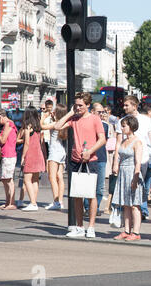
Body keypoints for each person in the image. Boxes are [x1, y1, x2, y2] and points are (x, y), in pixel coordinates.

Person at [54, 92, 106, 238]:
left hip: (90, 160)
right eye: (76, 105)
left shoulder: (95, 119)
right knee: (77, 194)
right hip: (75, 160)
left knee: (91, 194)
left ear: (88, 105)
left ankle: (91, 227)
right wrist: (70, 113)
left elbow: (102, 139)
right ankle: (79, 226)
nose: (78, 108)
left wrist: (90, 151)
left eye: (81, 105)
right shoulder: (74, 119)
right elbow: (58, 126)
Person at [114, 96, 151, 221]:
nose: (124, 107)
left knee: (140, 186)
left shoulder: (146, 120)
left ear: (135, 106)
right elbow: (118, 142)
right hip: (126, 160)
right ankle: (131, 217)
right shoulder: (121, 122)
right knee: (128, 189)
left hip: (143, 158)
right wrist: (115, 162)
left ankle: (140, 212)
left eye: (127, 105)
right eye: (124, 105)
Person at [112, 116, 145, 241]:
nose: (122, 128)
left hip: (132, 172)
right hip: (123, 173)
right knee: (126, 203)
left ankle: (136, 232)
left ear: (131, 126)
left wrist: (136, 178)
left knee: (135, 204)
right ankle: (126, 230)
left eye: (124, 125)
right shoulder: (123, 141)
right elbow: (118, 155)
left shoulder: (137, 142)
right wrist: (116, 165)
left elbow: (138, 162)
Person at [40, 104, 68, 210]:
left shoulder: (56, 123)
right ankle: (60, 201)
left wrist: (44, 116)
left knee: (52, 177)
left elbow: (41, 126)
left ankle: (56, 201)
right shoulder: (63, 123)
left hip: (54, 151)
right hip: (61, 151)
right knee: (59, 177)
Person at [83, 103, 109, 216]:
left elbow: (103, 140)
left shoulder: (105, 125)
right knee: (88, 184)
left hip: (101, 157)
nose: (102, 114)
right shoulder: (86, 123)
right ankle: (88, 207)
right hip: (90, 157)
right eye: (99, 112)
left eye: (103, 112)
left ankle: (96, 207)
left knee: (100, 186)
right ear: (92, 112)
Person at [18, 106, 46, 211]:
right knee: (35, 179)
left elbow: (26, 143)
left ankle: (33, 203)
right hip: (38, 153)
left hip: (30, 154)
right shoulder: (38, 126)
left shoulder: (27, 126)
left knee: (27, 179)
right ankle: (34, 201)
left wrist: (23, 157)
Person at [0, 108, 18, 210]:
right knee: (4, 179)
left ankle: (12, 202)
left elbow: (3, 140)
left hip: (9, 154)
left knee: (8, 179)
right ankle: (8, 202)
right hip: (5, 154)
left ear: (0, 117)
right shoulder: (7, 124)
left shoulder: (8, 124)